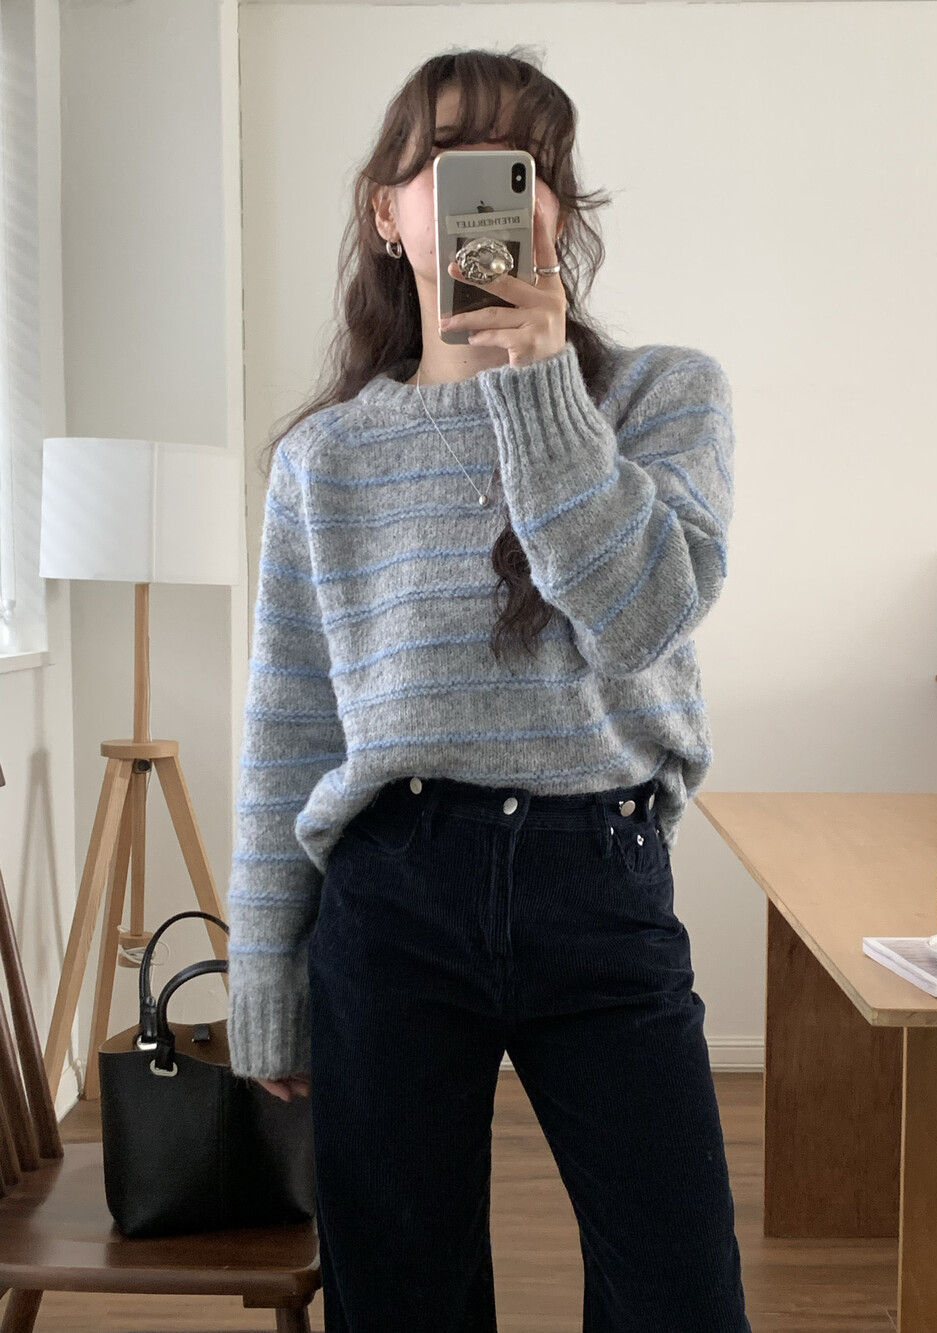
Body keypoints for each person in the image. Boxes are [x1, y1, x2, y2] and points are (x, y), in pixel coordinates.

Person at [226, 46, 751, 1333]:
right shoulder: (325, 457)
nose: (494, 191)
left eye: (527, 168)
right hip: (391, 892)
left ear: (558, 213)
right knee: (399, 1300)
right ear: (386, 210)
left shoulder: (661, 394)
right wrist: (266, 966)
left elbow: (639, 616)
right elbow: (290, 722)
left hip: (599, 878)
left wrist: (538, 389)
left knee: (680, 1294)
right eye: (451, 161)